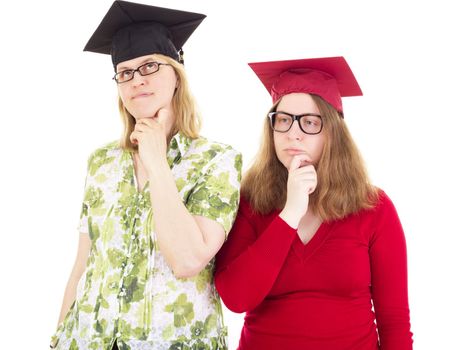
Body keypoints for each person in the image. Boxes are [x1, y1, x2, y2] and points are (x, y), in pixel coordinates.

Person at [50, 1, 241, 349]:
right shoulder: (102, 162)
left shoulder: (217, 161)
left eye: (149, 66)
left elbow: (187, 260)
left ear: (177, 72)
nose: (137, 80)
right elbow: (82, 267)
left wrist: (156, 161)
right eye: (125, 72)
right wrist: (58, 338)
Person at [214, 56, 413, 349]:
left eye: (309, 122)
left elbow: (394, 321)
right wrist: (290, 212)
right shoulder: (250, 202)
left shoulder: (374, 207)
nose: (293, 133)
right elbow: (235, 298)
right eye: (282, 120)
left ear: (332, 133)